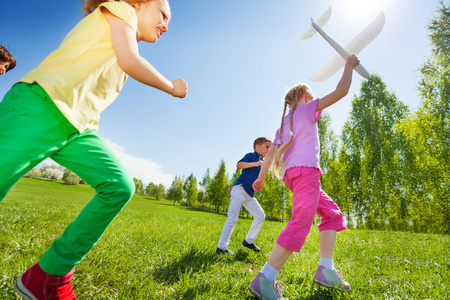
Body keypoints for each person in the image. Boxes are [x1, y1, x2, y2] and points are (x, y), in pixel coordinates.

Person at [0, 0, 187, 299]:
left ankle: (50, 273)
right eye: (163, 14)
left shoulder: (119, 45)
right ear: (138, 4)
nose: (165, 25)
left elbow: (92, 96)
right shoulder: (119, 10)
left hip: (78, 128)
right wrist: (172, 87)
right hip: (40, 106)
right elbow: (130, 60)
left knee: (119, 186)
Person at [248, 55, 360, 300]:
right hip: (307, 174)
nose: (313, 99)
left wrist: (262, 177)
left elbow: (270, 156)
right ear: (305, 98)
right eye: (311, 96)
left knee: (332, 213)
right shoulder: (308, 109)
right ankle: (265, 279)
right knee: (300, 221)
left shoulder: (283, 124)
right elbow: (341, 91)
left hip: (296, 176)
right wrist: (349, 66)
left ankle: (326, 270)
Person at [216, 137, 272, 255]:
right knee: (232, 218)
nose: (269, 149)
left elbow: (250, 177)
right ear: (257, 147)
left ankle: (248, 241)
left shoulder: (262, 162)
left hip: (249, 194)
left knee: (260, 215)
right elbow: (239, 165)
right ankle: (221, 247)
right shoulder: (252, 156)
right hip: (240, 190)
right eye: (267, 147)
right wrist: (256, 163)